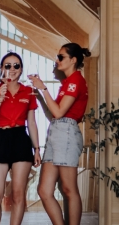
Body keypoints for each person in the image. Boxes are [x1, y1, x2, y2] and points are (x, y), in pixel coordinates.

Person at [28, 43, 91, 225]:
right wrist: (40, 95)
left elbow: (59, 112)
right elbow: (54, 114)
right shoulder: (67, 83)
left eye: (61, 57)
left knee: (69, 189)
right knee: (44, 190)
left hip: (67, 133)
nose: (57, 60)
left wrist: (43, 88)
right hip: (56, 132)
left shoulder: (76, 81)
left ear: (73, 60)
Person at [0, 52, 41, 225]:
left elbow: (32, 122)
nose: (12, 69)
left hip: (21, 139)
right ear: (1, 68)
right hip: (0, 139)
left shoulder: (28, 91)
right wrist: (0, 98)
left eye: (16, 65)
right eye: (7, 65)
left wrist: (37, 149)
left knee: (17, 194)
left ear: (21, 69)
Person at [34, 65, 70, 225]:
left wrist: (42, 92)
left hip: (63, 140)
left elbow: (56, 115)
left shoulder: (70, 87)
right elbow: (53, 116)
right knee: (54, 189)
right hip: (55, 139)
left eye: (56, 65)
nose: (54, 69)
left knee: (66, 189)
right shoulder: (63, 88)